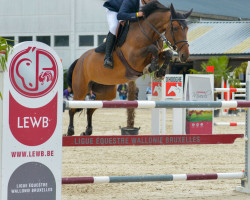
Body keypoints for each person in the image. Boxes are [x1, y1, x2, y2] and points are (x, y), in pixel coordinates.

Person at [103, 0, 150, 69]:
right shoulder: (131, 1)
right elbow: (120, 15)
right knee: (114, 27)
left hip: (126, 12)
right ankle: (107, 57)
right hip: (115, 10)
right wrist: (137, 14)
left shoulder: (149, 3)